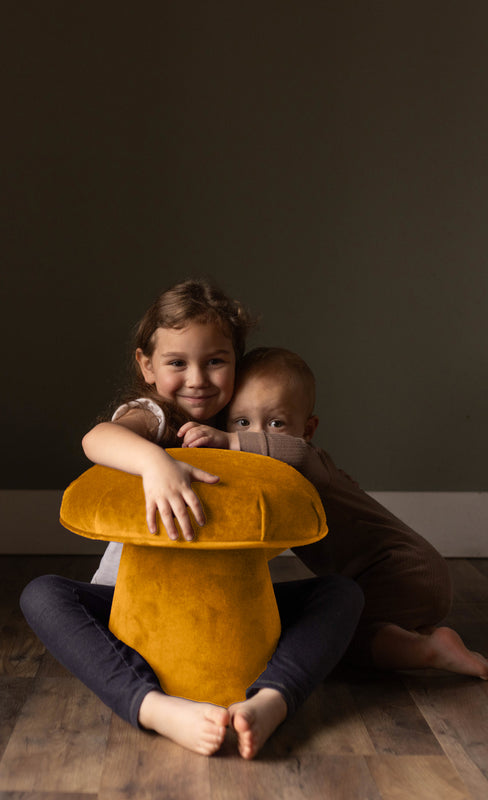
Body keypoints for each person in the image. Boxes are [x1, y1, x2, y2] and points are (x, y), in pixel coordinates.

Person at [21, 280, 364, 760]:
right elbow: (97, 439)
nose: (197, 379)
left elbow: (297, 456)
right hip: (130, 601)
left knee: (341, 594)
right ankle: (152, 706)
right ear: (146, 366)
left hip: (231, 605)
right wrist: (156, 463)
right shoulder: (156, 416)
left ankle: (271, 699)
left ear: (236, 363)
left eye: (216, 361)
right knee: (42, 594)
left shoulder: (239, 423)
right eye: (177, 362)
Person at [179, 346, 488, 679]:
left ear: (308, 431)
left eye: (276, 423)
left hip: (404, 571)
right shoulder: (293, 472)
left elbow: (294, 453)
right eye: (242, 422)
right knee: (340, 628)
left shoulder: (306, 459)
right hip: (395, 576)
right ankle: (418, 637)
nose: (255, 435)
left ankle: (427, 651)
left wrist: (229, 440)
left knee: (322, 637)